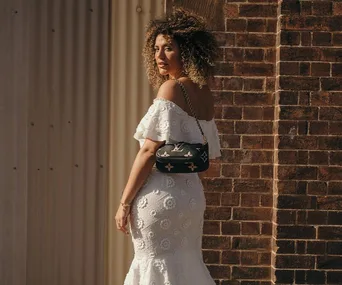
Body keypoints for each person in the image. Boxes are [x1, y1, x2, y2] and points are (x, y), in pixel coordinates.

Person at [115, 8, 221, 285]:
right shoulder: (206, 94)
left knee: (153, 267)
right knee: (187, 266)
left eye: (169, 49)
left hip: (160, 197)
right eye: (157, 49)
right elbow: (212, 164)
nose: (159, 56)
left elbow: (149, 151)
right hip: (192, 200)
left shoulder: (171, 89)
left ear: (187, 51)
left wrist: (124, 203)